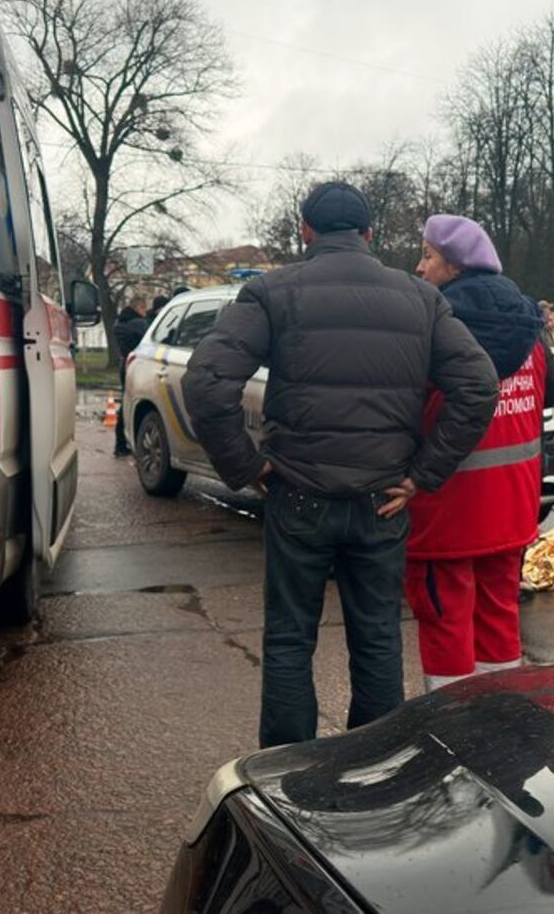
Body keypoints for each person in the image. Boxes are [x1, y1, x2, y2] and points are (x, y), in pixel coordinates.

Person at [183, 182, 499, 747]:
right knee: (378, 638)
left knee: (288, 640)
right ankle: (373, 769)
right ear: (370, 235)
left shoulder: (272, 293)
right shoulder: (420, 298)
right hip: (382, 500)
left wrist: (246, 466)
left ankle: (284, 775)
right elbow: (477, 385)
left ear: (305, 231)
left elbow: (207, 382)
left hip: (296, 492)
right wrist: (424, 474)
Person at [407, 214, 554, 690]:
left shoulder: (434, 328)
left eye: (428, 256)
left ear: (453, 266)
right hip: (513, 504)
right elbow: (551, 394)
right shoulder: (529, 326)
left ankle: (452, 728)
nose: (419, 266)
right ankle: (502, 719)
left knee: (444, 618)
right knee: (498, 614)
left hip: (447, 506)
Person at [112, 296, 148, 456]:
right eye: (144, 309)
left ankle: (120, 444)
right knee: (137, 404)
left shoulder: (120, 322)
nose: (145, 313)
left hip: (124, 363)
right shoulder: (138, 324)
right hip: (136, 365)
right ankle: (131, 442)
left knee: (126, 401)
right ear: (139, 308)